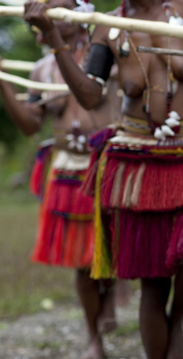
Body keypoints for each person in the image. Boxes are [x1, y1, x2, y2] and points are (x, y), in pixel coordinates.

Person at [23, 0, 183, 358]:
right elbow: (90, 94)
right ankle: (164, 340)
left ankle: (177, 318)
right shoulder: (107, 27)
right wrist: (53, 36)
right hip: (137, 157)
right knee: (153, 280)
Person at [0, 1, 121, 358]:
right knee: (83, 262)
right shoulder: (42, 69)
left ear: (80, 10)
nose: (46, 12)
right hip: (68, 167)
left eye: (57, 5)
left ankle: (112, 292)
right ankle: (92, 337)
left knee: (110, 248)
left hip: (109, 163)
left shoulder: (107, 51)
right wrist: (4, 83)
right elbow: (30, 125)